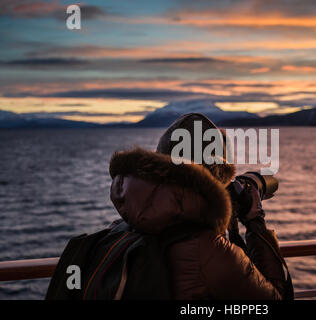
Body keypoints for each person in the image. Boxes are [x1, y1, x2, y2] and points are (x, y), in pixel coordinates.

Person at [46, 113, 292, 300]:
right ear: (215, 180)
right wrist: (255, 221)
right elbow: (277, 296)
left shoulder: (121, 230)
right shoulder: (209, 250)